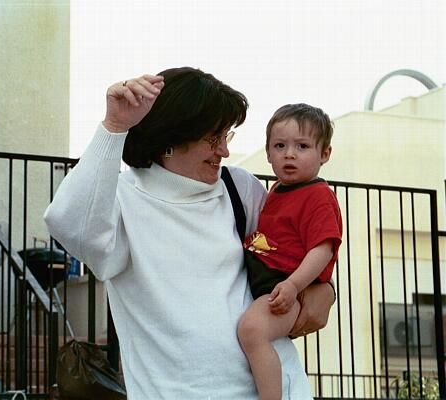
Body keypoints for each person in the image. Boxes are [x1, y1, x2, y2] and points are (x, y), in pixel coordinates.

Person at [44, 67, 335, 399]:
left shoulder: (239, 188)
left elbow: (294, 250)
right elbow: (69, 223)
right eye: (213, 138)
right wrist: (114, 126)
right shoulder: (121, 199)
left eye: (226, 136)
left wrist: (324, 288)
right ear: (171, 138)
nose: (224, 150)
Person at [237, 103, 343, 400]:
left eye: (302, 146)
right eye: (280, 146)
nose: (289, 154)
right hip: (271, 282)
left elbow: (323, 248)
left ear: (325, 154)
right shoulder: (276, 191)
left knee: (252, 330)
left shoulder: (319, 196)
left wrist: (294, 285)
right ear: (268, 152)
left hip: (286, 288)